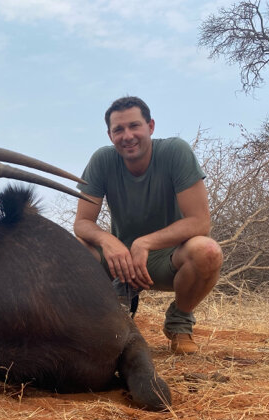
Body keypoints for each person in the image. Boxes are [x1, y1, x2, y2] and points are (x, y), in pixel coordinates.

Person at [73, 96, 223, 354]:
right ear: (110, 135)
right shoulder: (101, 160)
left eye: (134, 126)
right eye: (118, 129)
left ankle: (179, 321)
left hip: (167, 260)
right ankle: (101, 318)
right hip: (119, 260)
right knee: (72, 249)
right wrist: (109, 241)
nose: (127, 135)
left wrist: (146, 243)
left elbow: (200, 222)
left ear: (150, 126)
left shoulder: (176, 152)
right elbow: (82, 222)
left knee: (207, 251)